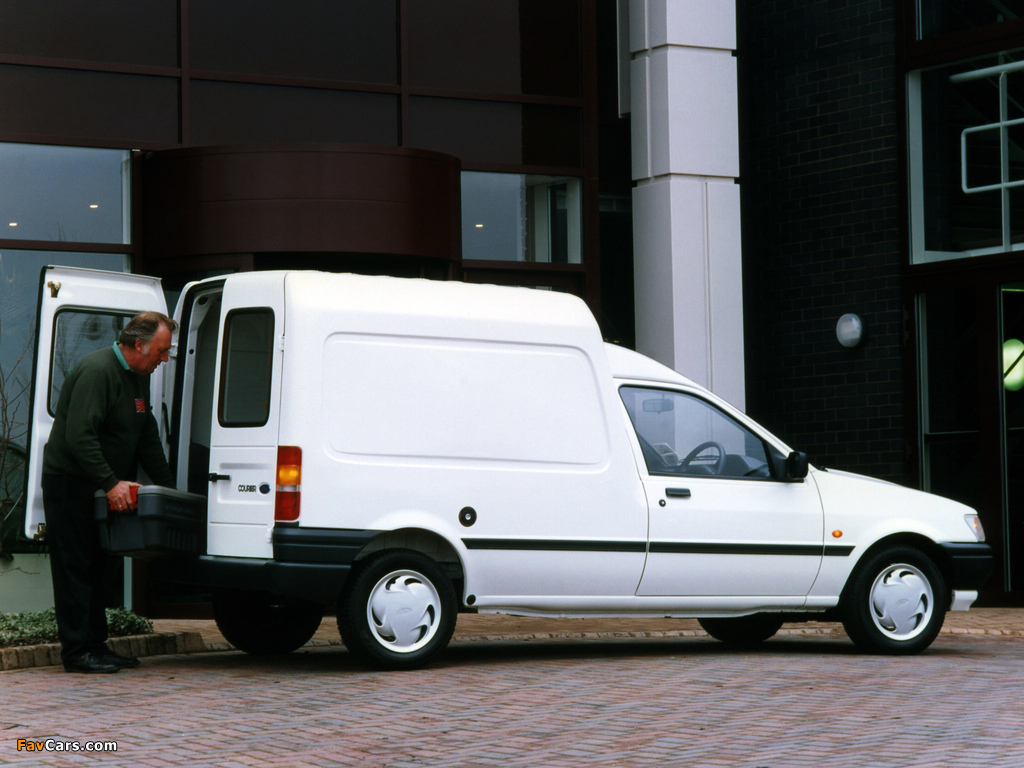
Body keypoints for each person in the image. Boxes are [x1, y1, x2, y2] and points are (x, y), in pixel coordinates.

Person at [42, 311, 178, 673]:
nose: (164, 360)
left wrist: (169, 491)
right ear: (138, 345)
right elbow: (79, 437)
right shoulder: (97, 371)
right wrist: (110, 482)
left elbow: (145, 433)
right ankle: (77, 652)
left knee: (101, 566)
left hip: (102, 487)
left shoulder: (137, 377)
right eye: (161, 352)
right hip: (70, 483)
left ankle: (96, 647)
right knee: (76, 566)